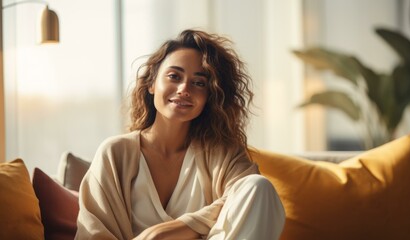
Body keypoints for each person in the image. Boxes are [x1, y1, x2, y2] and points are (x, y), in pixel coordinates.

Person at [75, 29, 285, 240]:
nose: (184, 89)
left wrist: (170, 231)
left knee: (258, 187)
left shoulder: (222, 153)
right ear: (151, 84)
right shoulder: (115, 153)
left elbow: (250, 200)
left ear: (208, 96)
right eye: (174, 76)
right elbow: (94, 233)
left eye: (199, 83)